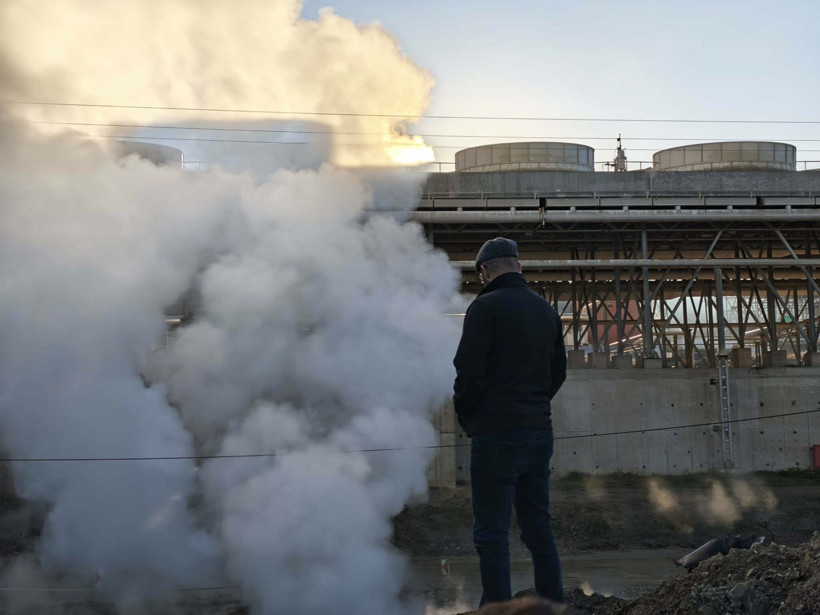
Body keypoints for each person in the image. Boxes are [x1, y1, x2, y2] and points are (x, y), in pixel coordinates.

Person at [453, 237, 567, 607]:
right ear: (519, 267)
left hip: (496, 436)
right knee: (538, 529)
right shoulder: (546, 310)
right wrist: (534, 405)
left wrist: (470, 417)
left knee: (492, 534)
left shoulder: (484, 307)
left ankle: (498, 610)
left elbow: (469, 374)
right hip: (538, 432)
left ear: (484, 271)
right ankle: (553, 606)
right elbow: (558, 372)